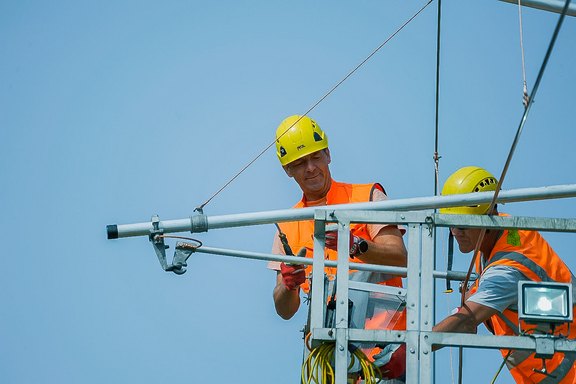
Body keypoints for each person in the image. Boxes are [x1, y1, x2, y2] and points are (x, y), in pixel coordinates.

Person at [269, 115, 408, 382]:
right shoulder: (287, 225)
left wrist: (356, 245)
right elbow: (285, 309)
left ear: (328, 154)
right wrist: (289, 284)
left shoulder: (367, 197)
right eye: (300, 163)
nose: (310, 168)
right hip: (331, 361)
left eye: (316, 157)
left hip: (385, 349)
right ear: (288, 169)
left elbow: (399, 258)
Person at [433, 166, 576, 383]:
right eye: (450, 225)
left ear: (488, 216)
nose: (455, 232)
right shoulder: (504, 230)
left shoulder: (508, 268)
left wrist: (411, 346)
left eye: (462, 225)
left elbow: (467, 320)